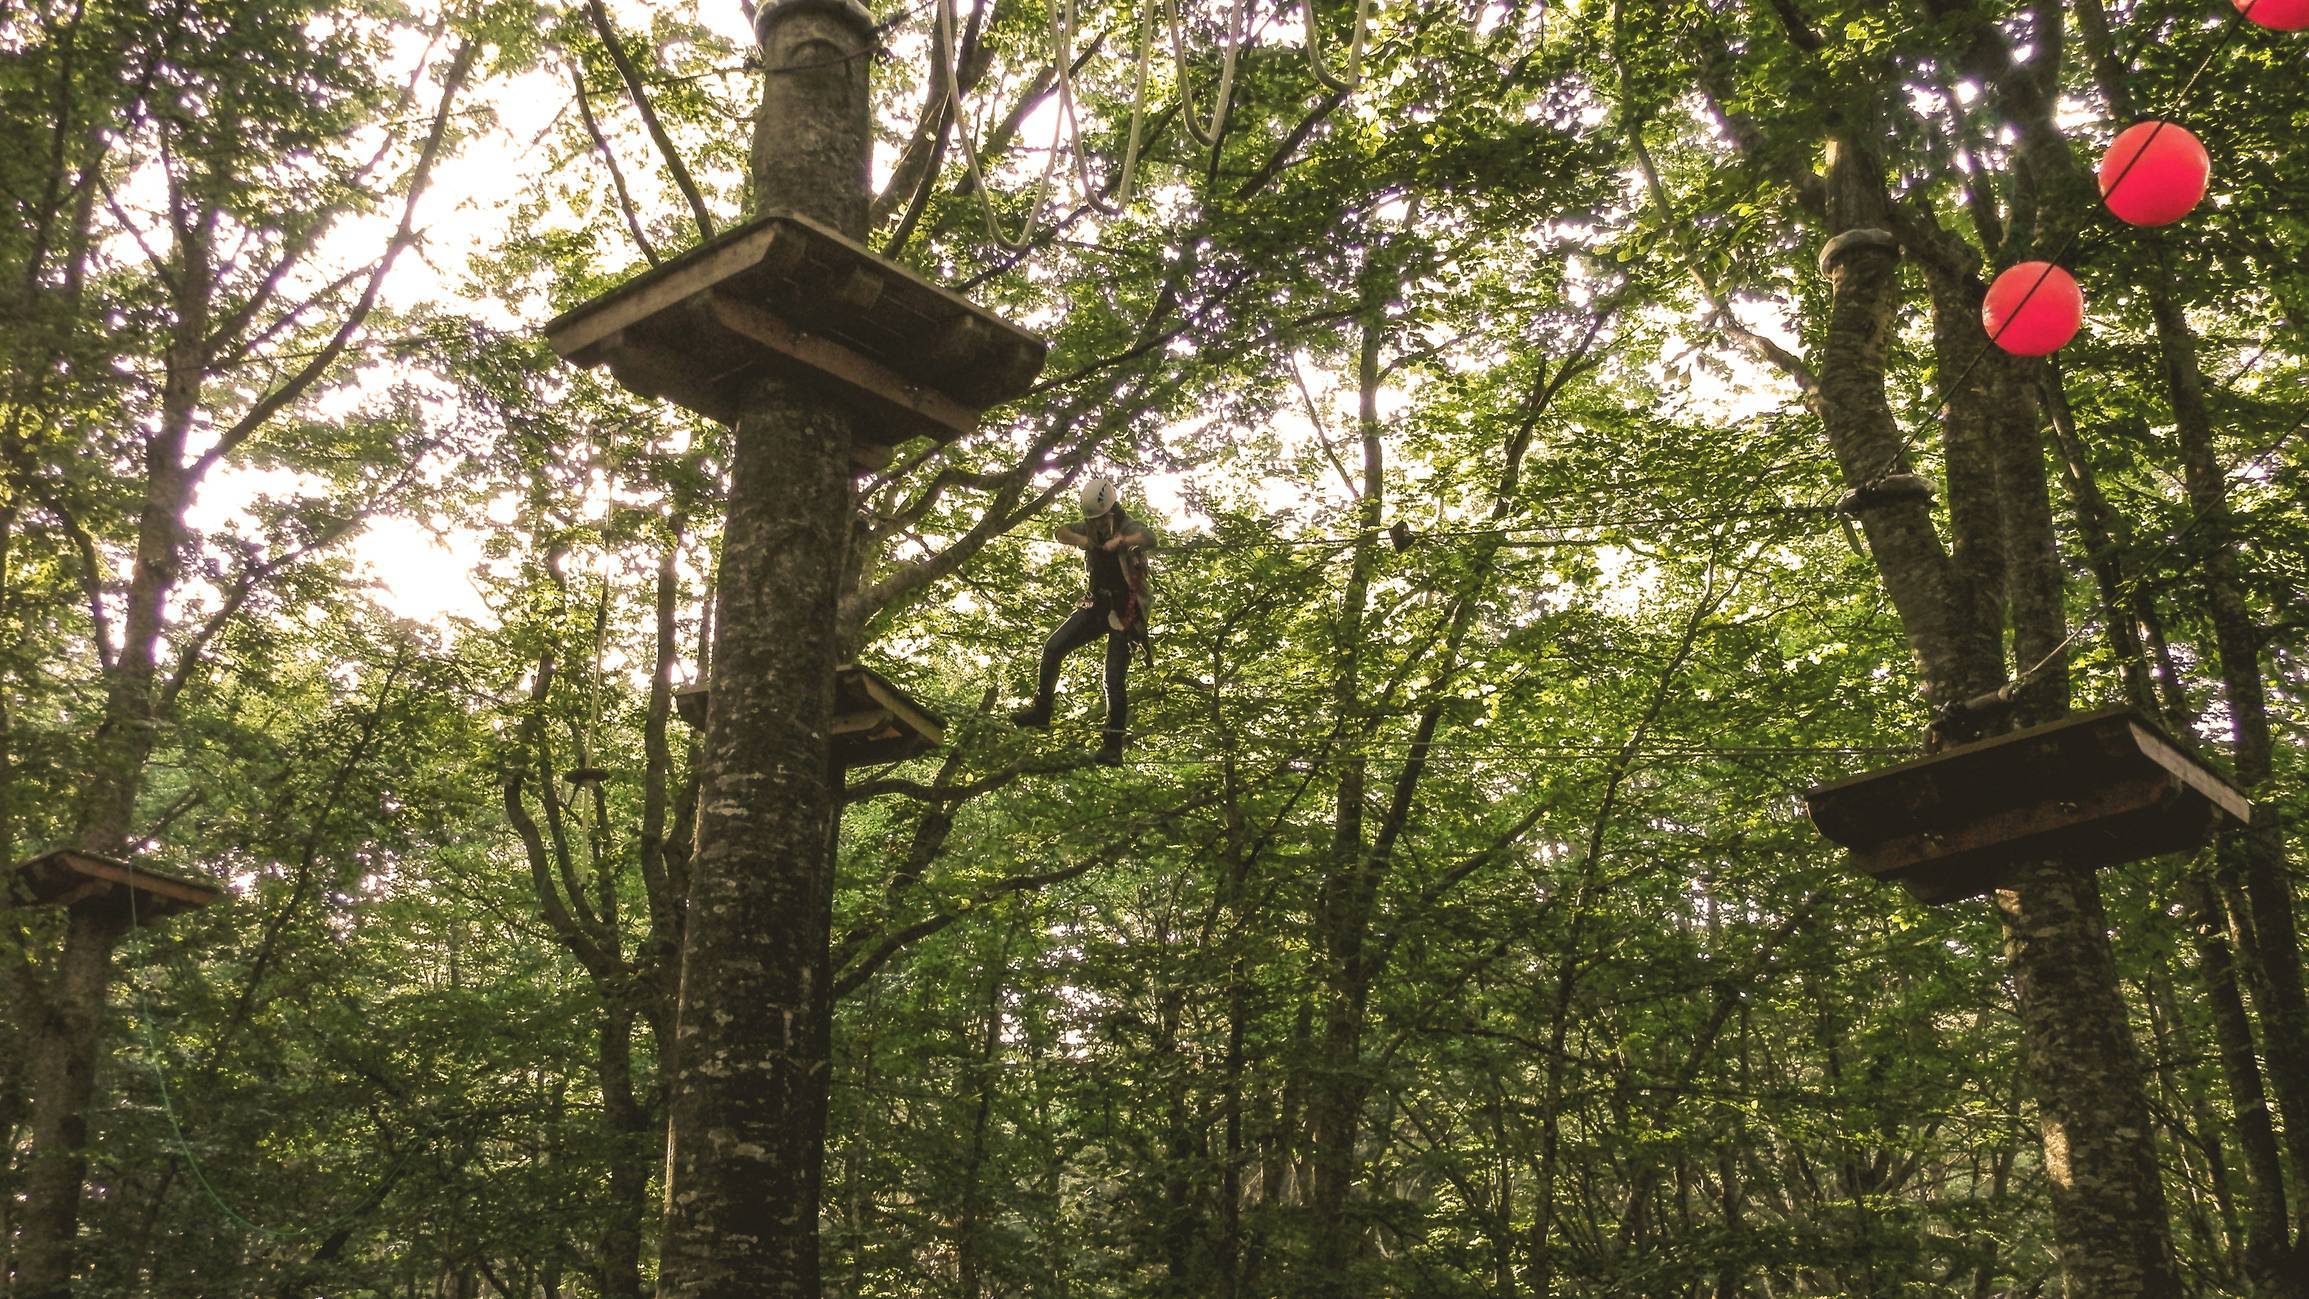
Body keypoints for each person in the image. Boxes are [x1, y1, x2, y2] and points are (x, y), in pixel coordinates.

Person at [1011, 476, 1154, 766]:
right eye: (1095, 521)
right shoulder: (1089, 527)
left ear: (1112, 512)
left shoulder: (1129, 527)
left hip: (1126, 610)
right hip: (1096, 605)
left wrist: (1122, 542)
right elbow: (1060, 531)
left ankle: (1113, 746)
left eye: (1102, 520)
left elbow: (1150, 537)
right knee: (1053, 647)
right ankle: (1042, 711)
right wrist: (1084, 540)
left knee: (1113, 678)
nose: (1099, 525)